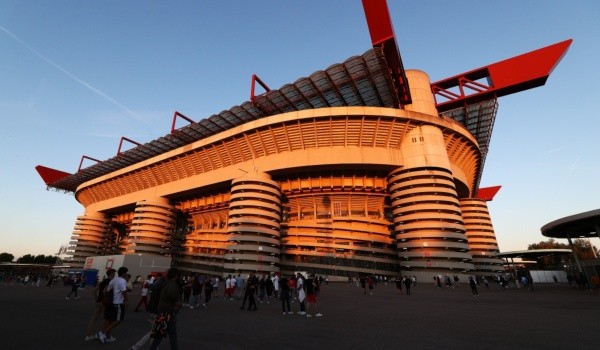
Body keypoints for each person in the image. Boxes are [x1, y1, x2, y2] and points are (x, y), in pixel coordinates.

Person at [149, 268, 182, 350]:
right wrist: (178, 302)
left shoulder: (165, 283)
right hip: (167, 313)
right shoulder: (172, 285)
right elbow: (173, 296)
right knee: (159, 336)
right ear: (176, 276)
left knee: (171, 335)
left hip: (164, 312)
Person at [96, 266, 129, 344]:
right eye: (126, 273)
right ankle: (102, 333)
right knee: (118, 319)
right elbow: (124, 292)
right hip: (118, 303)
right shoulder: (122, 281)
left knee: (109, 320)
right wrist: (127, 301)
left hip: (110, 303)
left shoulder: (113, 280)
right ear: (124, 273)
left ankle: (108, 336)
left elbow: (107, 291)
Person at [85, 269, 115, 341]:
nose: (115, 274)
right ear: (111, 273)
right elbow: (107, 291)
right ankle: (105, 335)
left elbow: (94, 290)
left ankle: (88, 336)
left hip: (99, 302)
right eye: (114, 273)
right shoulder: (110, 281)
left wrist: (96, 300)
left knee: (93, 319)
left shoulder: (103, 281)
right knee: (108, 319)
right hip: (105, 302)